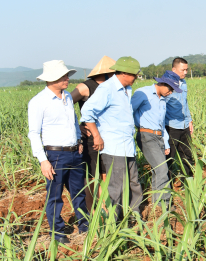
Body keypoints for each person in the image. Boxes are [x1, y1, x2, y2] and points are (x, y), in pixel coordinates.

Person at [27, 60, 88, 244]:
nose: (67, 78)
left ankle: (84, 226)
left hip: (74, 153)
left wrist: (78, 140)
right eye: (63, 76)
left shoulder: (68, 96)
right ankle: (58, 232)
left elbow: (73, 122)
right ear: (51, 79)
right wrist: (43, 160)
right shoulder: (38, 101)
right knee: (55, 195)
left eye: (66, 75)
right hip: (55, 155)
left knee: (79, 192)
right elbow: (34, 133)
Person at [81, 56, 143, 220]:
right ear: (123, 73)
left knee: (133, 182)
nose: (136, 78)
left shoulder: (126, 90)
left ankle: (133, 215)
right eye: (134, 75)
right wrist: (96, 136)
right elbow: (87, 112)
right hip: (114, 146)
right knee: (116, 187)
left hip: (127, 145)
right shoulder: (106, 89)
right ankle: (114, 222)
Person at [131, 71, 181, 208]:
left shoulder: (163, 100)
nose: (171, 92)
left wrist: (165, 142)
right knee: (161, 169)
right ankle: (164, 205)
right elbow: (129, 111)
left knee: (156, 170)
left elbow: (161, 122)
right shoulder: (143, 93)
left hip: (158, 136)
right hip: (146, 135)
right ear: (162, 83)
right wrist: (137, 126)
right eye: (170, 89)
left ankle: (157, 204)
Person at [71, 55, 115, 209]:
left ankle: (106, 207)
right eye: (114, 73)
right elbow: (65, 107)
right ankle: (94, 210)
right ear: (106, 73)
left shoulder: (111, 87)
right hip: (91, 138)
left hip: (108, 136)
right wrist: (78, 126)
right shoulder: (86, 87)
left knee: (105, 172)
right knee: (92, 175)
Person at [165, 57, 194, 177]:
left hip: (184, 124)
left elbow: (185, 103)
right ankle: (168, 184)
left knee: (187, 154)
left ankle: (187, 182)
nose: (185, 72)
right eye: (183, 70)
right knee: (169, 156)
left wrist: (189, 120)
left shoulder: (184, 83)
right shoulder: (166, 83)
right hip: (171, 126)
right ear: (174, 69)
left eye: (187, 70)